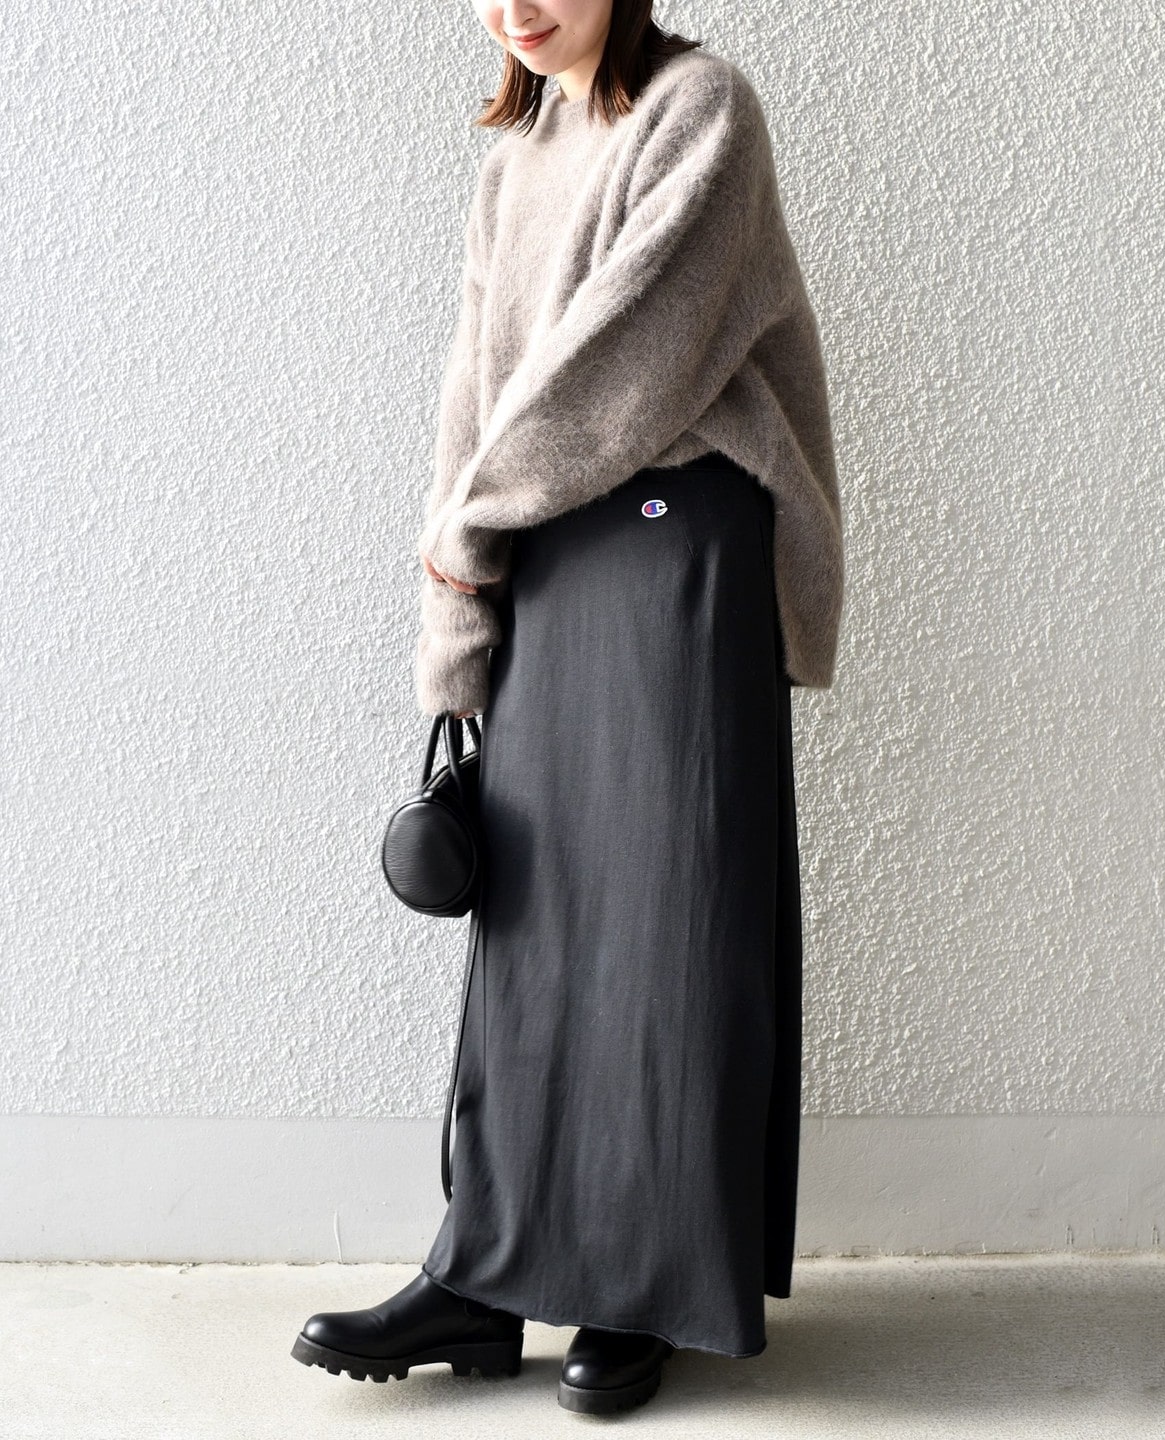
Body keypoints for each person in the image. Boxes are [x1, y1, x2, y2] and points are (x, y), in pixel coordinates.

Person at [291, 0, 844, 1416]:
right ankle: (483, 1278)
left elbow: (629, 357)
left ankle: (637, 1288)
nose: (516, 8)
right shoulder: (513, 159)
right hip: (536, 552)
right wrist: (453, 617)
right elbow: (471, 399)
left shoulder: (701, 111)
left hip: (674, 545)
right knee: (531, 932)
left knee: (668, 925)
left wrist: (477, 518)